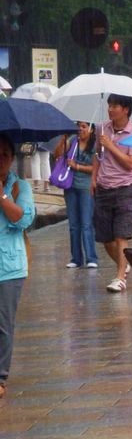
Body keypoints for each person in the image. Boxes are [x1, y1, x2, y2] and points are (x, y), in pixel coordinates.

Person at [92, 94, 132, 293]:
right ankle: (124, 263)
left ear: (126, 109)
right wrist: (93, 178)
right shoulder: (101, 128)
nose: (111, 109)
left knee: (122, 235)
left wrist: (111, 145)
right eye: (109, 105)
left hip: (125, 189)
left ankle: (120, 277)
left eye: (115, 106)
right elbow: (97, 155)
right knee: (106, 238)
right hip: (104, 188)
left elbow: (130, 163)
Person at [0, 133, 35, 399]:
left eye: (4, 156)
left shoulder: (19, 187)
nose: (0, 161)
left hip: (9, 267)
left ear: (12, 159)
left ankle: (1, 377)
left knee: (3, 325)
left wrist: (1, 196)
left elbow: (21, 220)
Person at [54, 122, 98, 269]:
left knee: (86, 223)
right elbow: (58, 155)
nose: (81, 129)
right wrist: (63, 139)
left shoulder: (95, 145)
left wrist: (77, 166)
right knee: (73, 224)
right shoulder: (73, 141)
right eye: (79, 126)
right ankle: (76, 258)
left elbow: (96, 168)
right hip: (70, 186)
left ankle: (91, 257)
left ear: (91, 129)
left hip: (86, 187)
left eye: (84, 126)